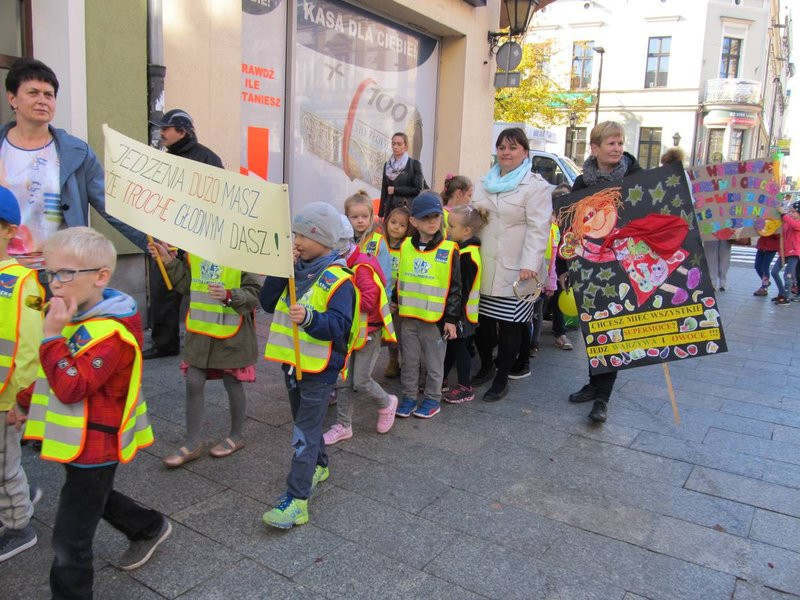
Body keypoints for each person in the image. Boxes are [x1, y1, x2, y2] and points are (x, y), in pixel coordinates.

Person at [20, 227, 169, 598]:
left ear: (101, 276)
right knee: (91, 495)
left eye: (66, 274)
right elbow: (50, 375)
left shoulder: (110, 333)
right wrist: (23, 402)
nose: (54, 284)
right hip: (79, 443)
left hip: (96, 444)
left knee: (70, 542)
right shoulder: (76, 311)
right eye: (50, 272)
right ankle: (147, 526)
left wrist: (52, 336)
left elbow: (73, 385)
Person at [0, 58, 146, 272]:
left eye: (48, 95)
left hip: (59, 274)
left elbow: (112, 204)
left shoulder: (76, 153)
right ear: (12, 99)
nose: (42, 100)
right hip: (6, 273)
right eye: (33, 93)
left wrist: (151, 241)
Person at [260, 202, 355, 528]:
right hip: (292, 363)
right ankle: (320, 465)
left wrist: (312, 319)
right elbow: (267, 302)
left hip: (319, 369)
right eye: (295, 232)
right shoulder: (293, 269)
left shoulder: (339, 279)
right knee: (305, 424)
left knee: (304, 431)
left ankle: (297, 500)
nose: (296, 239)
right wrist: (279, 269)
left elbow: (340, 326)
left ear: (326, 241)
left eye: (304, 234)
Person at [147, 242, 260, 466]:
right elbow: (187, 284)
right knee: (193, 382)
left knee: (232, 381)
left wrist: (229, 296)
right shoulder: (195, 251)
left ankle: (236, 436)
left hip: (231, 334)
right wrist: (168, 261)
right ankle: (191, 443)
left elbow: (254, 293)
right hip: (201, 332)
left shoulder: (243, 251)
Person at [562, 121, 642, 423]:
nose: (617, 148)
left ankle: (603, 398)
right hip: (589, 265)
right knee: (594, 328)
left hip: (622, 265)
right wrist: (565, 266)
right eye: (611, 143)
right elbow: (569, 227)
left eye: (620, 143)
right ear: (594, 148)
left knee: (613, 329)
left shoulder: (635, 178)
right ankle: (594, 382)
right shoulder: (582, 183)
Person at [471, 127, 552, 401]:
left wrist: (530, 264)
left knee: (509, 325)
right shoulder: (484, 182)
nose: (506, 152)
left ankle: (502, 377)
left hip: (518, 269)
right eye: (502, 147)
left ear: (524, 152)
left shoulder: (535, 186)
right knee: (482, 323)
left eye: (513, 147)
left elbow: (539, 228)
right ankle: (485, 367)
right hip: (484, 265)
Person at [144, 109, 224, 360]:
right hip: (168, 236)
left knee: (200, 290)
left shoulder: (207, 158)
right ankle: (164, 343)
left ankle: (210, 341)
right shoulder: (165, 158)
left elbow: (218, 200)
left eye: (166, 128)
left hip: (198, 238)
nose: (161, 133)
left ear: (182, 131)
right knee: (162, 290)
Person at [324, 216, 397, 445]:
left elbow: (369, 300)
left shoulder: (361, 266)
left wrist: (340, 303)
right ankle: (343, 425)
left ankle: (386, 403)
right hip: (350, 330)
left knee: (361, 381)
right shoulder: (342, 262)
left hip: (368, 331)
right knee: (344, 379)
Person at [0, 186, 44, 563]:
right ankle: (21, 499)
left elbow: (30, 349)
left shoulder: (20, 283)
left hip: (4, 398)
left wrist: (18, 398)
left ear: (8, 230)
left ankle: (18, 527)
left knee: (3, 466)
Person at [394, 192, 461, 419]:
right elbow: (401, 277)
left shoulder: (449, 250)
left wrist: (451, 320)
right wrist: (395, 299)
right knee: (410, 362)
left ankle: (433, 399)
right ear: (414, 221)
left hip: (435, 320)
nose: (433, 221)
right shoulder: (405, 246)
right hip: (409, 317)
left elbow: (455, 288)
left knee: (434, 365)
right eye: (426, 217)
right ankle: (409, 397)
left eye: (436, 216)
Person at [442, 204, 487, 404]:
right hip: (460, 313)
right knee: (452, 347)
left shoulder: (468, 256)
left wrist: (454, 316)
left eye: (451, 226)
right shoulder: (462, 250)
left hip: (463, 315)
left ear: (467, 230)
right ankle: (441, 380)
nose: (447, 230)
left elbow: (462, 290)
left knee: (459, 349)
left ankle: (465, 387)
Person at [381, 205, 413, 379]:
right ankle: (393, 361)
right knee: (389, 333)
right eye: (393, 222)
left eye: (402, 225)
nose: (396, 227)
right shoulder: (380, 244)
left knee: (401, 333)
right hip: (383, 297)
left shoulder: (407, 247)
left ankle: (406, 364)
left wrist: (397, 299)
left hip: (399, 299)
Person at [345, 190, 391, 288]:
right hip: (347, 294)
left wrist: (386, 300)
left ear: (371, 217)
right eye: (355, 217)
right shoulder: (342, 241)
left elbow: (385, 276)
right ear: (347, 217)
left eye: (365, 216)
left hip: (371, 296)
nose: (360, 220)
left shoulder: (379, 241)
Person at [378, 132, 425, 218]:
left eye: (399, 144)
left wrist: (396, 190)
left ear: (406, 147)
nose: (395, 147)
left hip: (407, 209)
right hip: (390, 209)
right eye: (393, 143)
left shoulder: (414, 164)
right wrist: (381, 214)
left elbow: (418, 189)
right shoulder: (387, 165)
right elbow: (384, 190)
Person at [770, 200, 800, 306]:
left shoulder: (796, 223)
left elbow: (794, 225)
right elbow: (782, 233)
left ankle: (786, 298)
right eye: (790, 211)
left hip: (794, 252)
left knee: (788, 275)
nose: (791, 214)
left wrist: (784, 215)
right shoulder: (788, 222)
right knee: (774, 272)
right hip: (784, 252)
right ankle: (781, 293)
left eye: (793, 212)